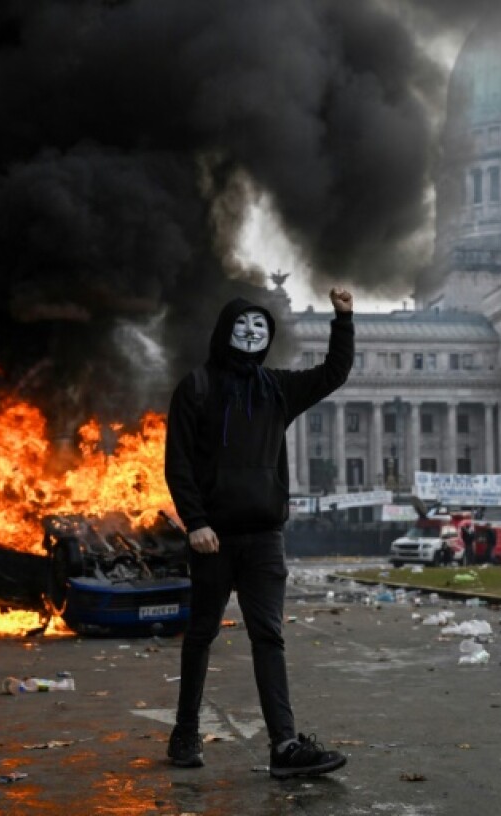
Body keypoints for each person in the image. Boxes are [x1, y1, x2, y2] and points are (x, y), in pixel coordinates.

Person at [164, 287, 354, 778]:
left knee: (269, 637)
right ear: (225, 332)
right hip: (213, 538)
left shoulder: (276, 389)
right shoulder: (198, 387)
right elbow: (178, 463)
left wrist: (344, 319)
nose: (252, 335)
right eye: (243, 327)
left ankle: (284, 747)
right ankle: (185, 732)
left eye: (260, 329)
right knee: (201, 634)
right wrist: (196, 522)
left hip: (265, 538)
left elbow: (333, 374)